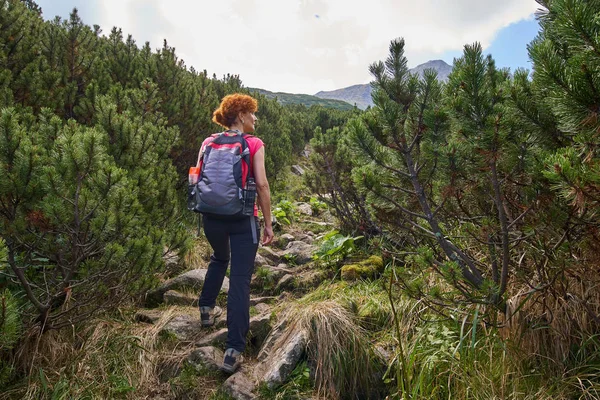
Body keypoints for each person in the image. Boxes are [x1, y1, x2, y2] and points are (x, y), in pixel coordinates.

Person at [196, 93, 274, 374]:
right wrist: (268, 223)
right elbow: (262, 186)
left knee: (219, 257)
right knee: (240, 280)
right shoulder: (253, 144)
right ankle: (233, 349)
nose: (255, 118)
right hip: (243, 220)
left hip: (211, 217)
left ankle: (206, 309)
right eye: (252, 113)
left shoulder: (208, 142)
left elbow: (198, 177)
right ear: (240, 115)